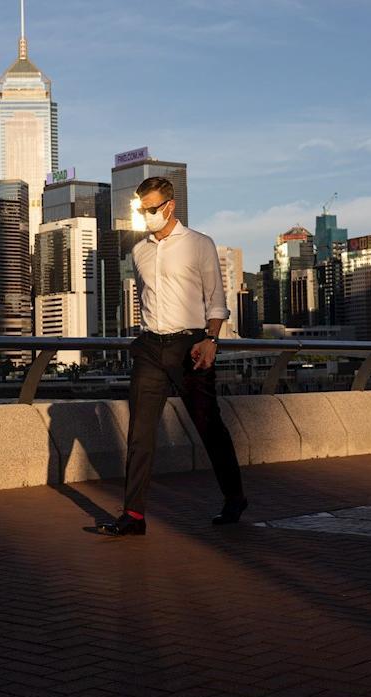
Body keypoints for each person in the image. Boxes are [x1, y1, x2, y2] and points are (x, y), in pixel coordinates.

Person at [96, 177, 247, 537]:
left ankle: (235, 496)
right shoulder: (139, 251)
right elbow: (144, 300)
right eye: (141, 209)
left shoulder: (199, 245)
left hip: (191, 345)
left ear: (169, 206)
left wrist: (211, 339)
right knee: (139, 433)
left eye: (151, 209)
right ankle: (133, 515)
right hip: (150, 347)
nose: (146, 215)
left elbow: (216, 301)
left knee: (208, 425)